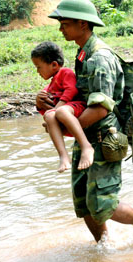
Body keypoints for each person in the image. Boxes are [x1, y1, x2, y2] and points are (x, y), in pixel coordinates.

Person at [38, 0, 133, 242]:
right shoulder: (83, 54)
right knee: (84, 202)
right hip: (87, 138)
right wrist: (47, 102)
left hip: (104, 140)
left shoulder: (99, 58)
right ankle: (104, 250)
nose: (60, 28)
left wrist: (67, 128)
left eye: (65, 23)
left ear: (83, 24)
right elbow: (79, 98)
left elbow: (101, 108)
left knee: (104, 203)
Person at [31, 41, 92, 173]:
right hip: (65, 110)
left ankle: (86, 146)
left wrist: (59, 106)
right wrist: (39, 102)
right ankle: (63, 156)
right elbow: (48, 107)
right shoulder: (51, 84)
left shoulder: (65, 73)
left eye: (39, 67)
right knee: (49, 115)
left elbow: (72, 90)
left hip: (76, 107)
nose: (37, 71)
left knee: (61, 112)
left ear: (53, 65)